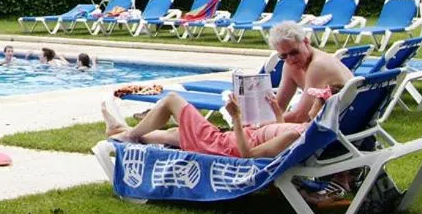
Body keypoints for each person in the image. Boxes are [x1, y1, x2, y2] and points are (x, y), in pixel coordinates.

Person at [101, 91, 314, 159]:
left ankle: (128, 135)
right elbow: (274, 137)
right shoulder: (304, 129)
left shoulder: (295, 136)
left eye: (317, 102)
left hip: (222, 147)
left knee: (172, 100)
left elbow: (248, 155)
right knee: (177, 133)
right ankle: (121, 131)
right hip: (227, 141)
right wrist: (277, 112)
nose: (312, 105)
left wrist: (237, 119)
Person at [268, 22, 353, 124]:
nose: (290, 59)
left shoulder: (318, 65)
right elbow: (278, 107)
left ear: (306, 41)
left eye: (294, 52)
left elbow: (300, 116)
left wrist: (263, 125)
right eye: (283, 56)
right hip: (334, 120)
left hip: (341, 123)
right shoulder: (291, 65)